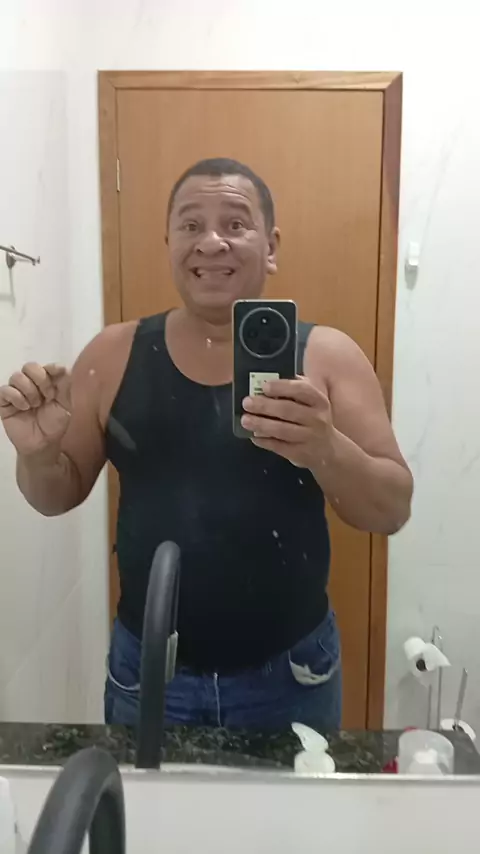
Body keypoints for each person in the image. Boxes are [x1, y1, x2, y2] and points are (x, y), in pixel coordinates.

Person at [0, 158, 413, 731]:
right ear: (169, 244)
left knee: (293, 800)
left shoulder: (328, 357)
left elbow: (391, 509)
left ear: (271, 246)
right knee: (145, 798)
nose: (211, 242)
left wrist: (325, 448)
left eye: (235, 224)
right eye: (191, 225)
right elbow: (54, 496)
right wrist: (38, 454)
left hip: (291, 675)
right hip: (149, 670)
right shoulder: (112, 354)